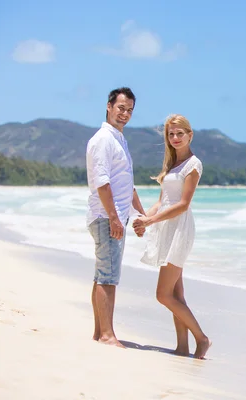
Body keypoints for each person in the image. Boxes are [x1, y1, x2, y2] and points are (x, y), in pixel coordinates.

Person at [132, 114, 211, 360]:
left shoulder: (193, 165)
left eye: (179, 133)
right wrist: (143, 219)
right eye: (171, 134)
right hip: (166, 227)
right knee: (176, 295)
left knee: (163, 295)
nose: (175, 138)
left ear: (190, 135)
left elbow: (183, 205)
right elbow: (162, 201)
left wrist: (151, 220)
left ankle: (202, 338)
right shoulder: (171, 165)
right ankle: (181, 347)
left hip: (179, 229)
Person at [86, 87, 146, 348]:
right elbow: (102, 182)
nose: (125, 114)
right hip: (106, 216)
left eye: (130, 110)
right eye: (121, 108)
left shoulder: (119, 139)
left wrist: (143, 215)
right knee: (108, 276)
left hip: (114, 216)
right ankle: (107, 335)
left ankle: (100, 333)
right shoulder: (103, 139)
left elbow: (126, 184)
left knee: (103, 274)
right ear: (109, 106)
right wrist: (113, 217)